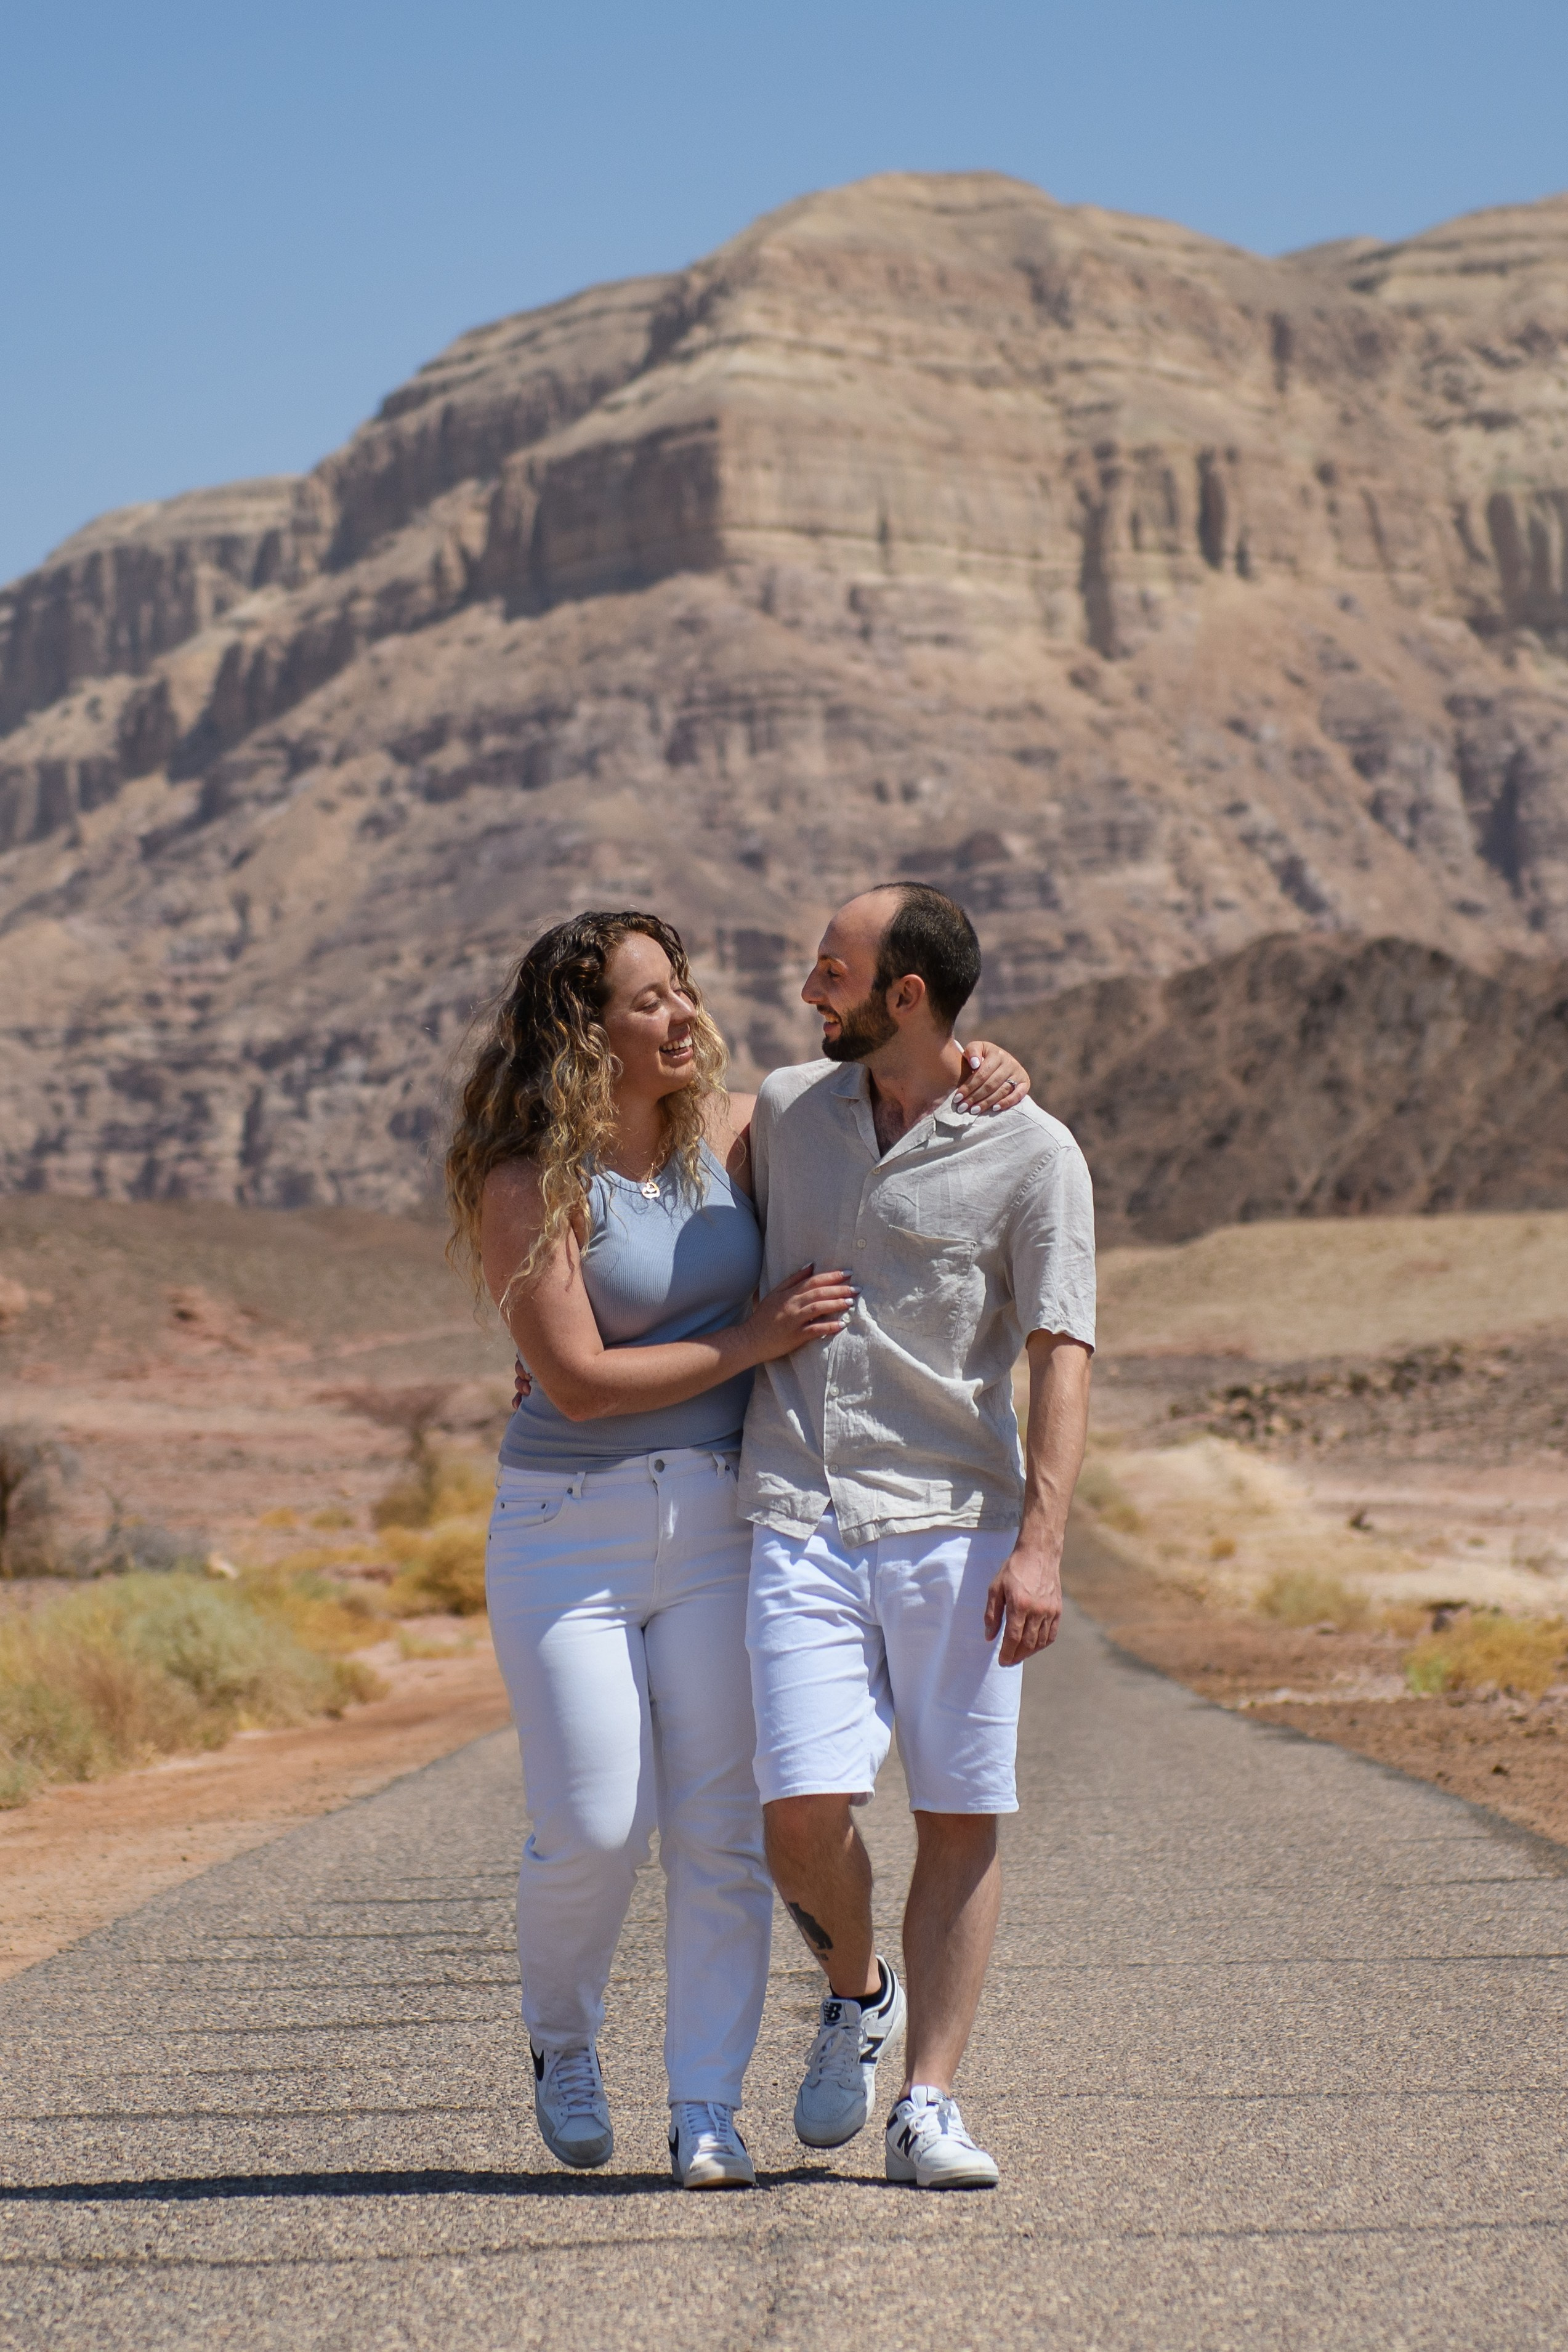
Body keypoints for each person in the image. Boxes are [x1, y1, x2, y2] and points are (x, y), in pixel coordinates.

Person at [445, 909, 1032, 2190]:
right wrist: (757, 1339)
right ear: (585, 1036)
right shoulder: (523, 1182)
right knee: (595, 1822)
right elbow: (583, 1381)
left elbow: (894, 1080)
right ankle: (561, 2039)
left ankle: (706, 2106)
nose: (683, 1015)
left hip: (721, 1516)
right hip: (566, 1531)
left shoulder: (745, 1127)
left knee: (720, 1831)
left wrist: (982, 1061)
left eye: (683, 989)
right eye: (649, 1001)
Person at [740, 883, 1095, 2191]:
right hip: (801, 1507)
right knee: (794, 1808)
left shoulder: (1034, 1149)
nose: (805, 989)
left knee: (959, 1809)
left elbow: (1061, 1348)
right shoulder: (784, 1110)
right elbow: (637, 1166)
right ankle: (857, 1985)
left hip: (955, 1522)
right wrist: (549, 1343)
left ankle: (926, 2100)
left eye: (830, 969)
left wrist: (1041, 1544)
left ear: (904, 994)